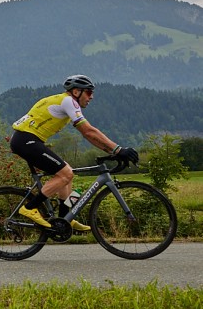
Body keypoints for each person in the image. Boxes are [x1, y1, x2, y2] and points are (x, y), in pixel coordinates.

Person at [10, 74, 138, 231]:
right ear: (77, 92)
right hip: (26, 141)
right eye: (89, 92)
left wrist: (113, 151)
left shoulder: (64, 100)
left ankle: (65, 219)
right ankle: (29, 208)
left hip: (27, 140)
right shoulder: (69, 101)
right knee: (66, 174)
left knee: (67, 175)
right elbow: (89, 131)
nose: (91, 97)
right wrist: (118, 149)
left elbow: (88, 135)